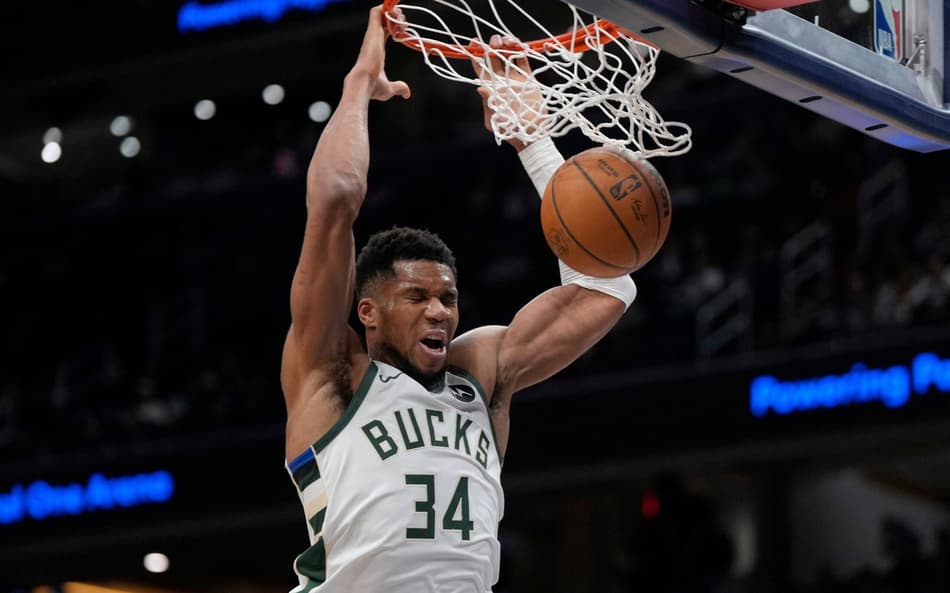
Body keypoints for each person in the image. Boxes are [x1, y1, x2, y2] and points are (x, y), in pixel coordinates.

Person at [280, 6, 638, 592]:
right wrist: (357, 89)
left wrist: (532, 140)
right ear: (366, 311)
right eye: (416, 296)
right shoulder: (333, 375)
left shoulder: (482, 374)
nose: (440, 310)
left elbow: (607, 285)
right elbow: (336, 200)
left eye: (447, 297)